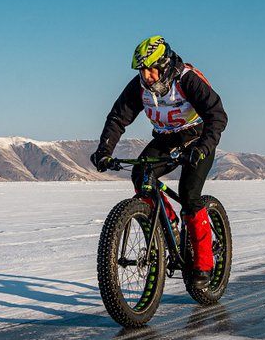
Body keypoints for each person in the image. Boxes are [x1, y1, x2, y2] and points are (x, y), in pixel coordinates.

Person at [90, 36, 228, 289]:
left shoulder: (187, 79)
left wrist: (203, 148)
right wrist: (104, 150)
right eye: (142, 69)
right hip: (166, 139)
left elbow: (217, 116)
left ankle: (204, 264)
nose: (147, 75)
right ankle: (166, 220)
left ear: (164, 64)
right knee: (141, 175)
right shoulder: (140, 85)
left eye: (151, 68)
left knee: (189, 195)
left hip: (198, 137)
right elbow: (118, 118)